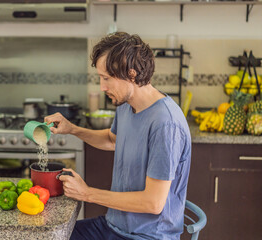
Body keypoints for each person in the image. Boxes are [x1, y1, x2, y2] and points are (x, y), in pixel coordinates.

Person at [44, 32, 191, 240]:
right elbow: (112, 140)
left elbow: (153, 203)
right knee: (50, 236)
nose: (102, 87)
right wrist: (72, 129)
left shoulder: (165, 124)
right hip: (114, 227)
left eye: (106, 78)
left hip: (147, 236)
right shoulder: (126, 105)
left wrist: (87, 193)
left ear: (131, 75)